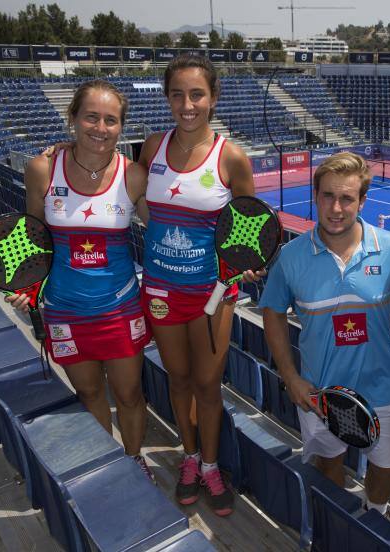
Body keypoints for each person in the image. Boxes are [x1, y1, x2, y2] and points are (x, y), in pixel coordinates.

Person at [7, 80, 154, 480]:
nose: (100, 127)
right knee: (89, 394)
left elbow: (163, 231)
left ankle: (135, 459)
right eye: (91, 116)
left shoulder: (134, 175)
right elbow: (33, 236)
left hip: (120, 308)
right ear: (72, 118)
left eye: (110, 120)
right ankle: (106, 464)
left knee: (128, 395)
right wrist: (27, 286)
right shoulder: (41, 169)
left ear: (121, 127)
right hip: (64, 310)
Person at [260, 152, 390, 516]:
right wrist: (290, 377)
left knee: (389, 467)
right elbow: (272, 312)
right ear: (315, 196)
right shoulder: (292, 256)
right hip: (318, 392)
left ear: (362, 201)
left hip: (383, 389)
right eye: (327, 196)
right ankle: (336, 519)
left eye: (347, 198)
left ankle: (372, 513)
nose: (336, 207)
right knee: (328, 466)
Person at [135, 54, 257, 515]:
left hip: (212, 295)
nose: (187, 104)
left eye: (196, 94)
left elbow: (251, 229)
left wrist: (243, 266)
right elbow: (127, 191)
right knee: (179, 379)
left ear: (213, 98)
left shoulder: (231, 157)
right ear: (167, 98)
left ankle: (210, 465)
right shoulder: (151, 147)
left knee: (207, 385)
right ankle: (188, 457)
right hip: (161, 291)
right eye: (177, 94)